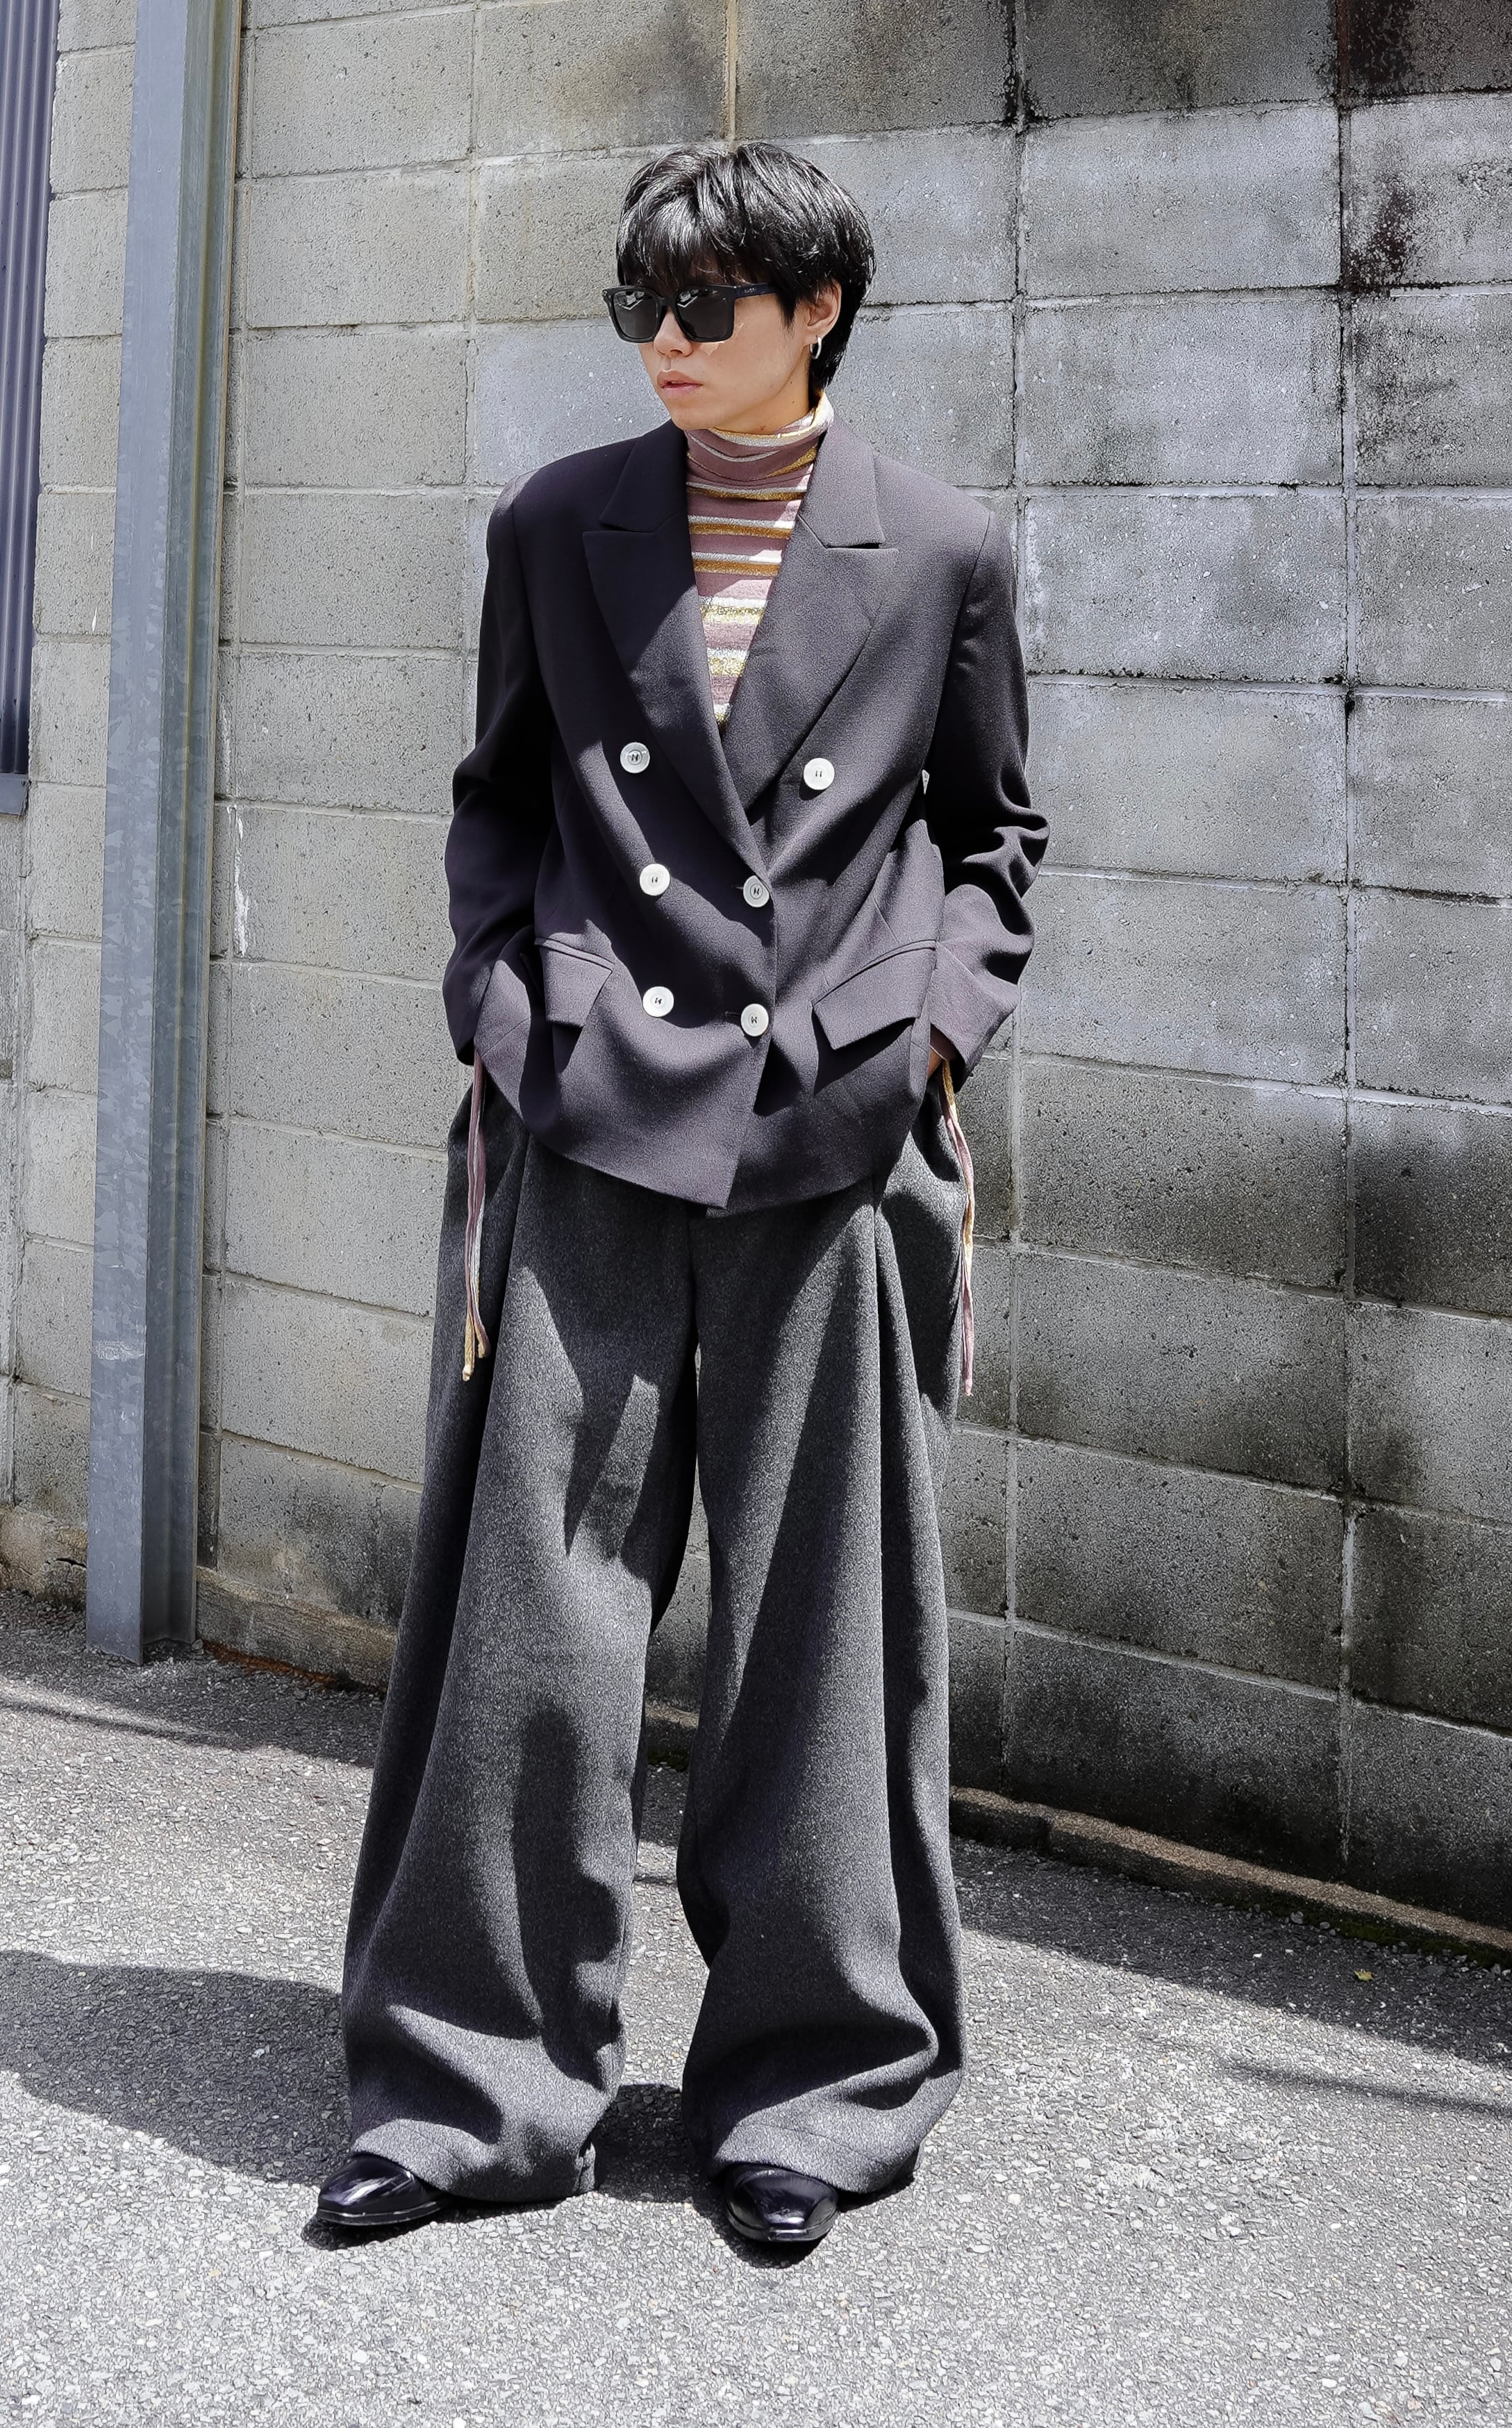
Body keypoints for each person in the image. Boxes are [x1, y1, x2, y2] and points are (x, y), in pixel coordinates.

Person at [316, 139, 1047, 2252]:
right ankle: (469, 2092)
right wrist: (505, 1008)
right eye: (637, 303)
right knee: (527, 1611)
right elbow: (497, 800)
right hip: (586, 1112)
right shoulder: (559, 523)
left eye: (703, 306)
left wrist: (923, 1044)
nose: (660, 339)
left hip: (828, 1130)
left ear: (816, 310)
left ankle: (815, 2091)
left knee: (827, 1622)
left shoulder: (941, 549)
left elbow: (995, 841)